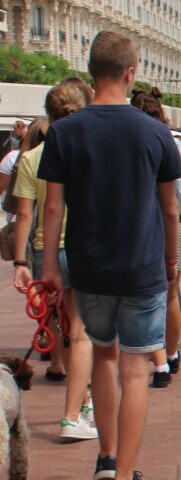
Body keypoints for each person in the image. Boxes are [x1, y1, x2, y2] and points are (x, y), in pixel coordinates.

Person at [38, 30, 181, 480]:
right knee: (136, 370)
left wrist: (49, 266)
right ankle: (125, 479)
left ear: (90, 73)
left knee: (102, 354)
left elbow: (52, 209)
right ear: (130, 72)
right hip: (141, 267)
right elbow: (169, 210)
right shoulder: (155, 132)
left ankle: (104, 457)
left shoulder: (63, 132)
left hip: (89, 266)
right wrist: (170, 262)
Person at [11, 83, 95, 441]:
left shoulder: (31, 158)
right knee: (81, 334)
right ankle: (71, 415)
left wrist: (20, 261)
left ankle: (84, 400)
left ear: (48, 116)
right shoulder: (87, 151)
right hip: (80, 245)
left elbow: (25, 215)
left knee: (61, 328)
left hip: (45, 250)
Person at [129, 87, 181, 388]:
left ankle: (155, 353)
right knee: (171, 295)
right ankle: (171, 354)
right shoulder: (169, 142)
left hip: (138, 230)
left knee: (143, 297)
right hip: (174, 227)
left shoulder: (128, 141)